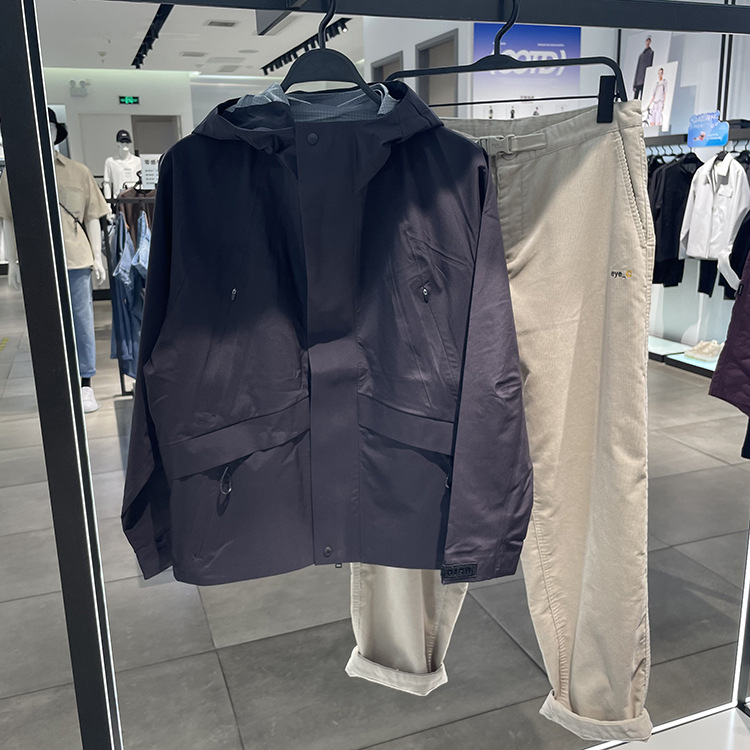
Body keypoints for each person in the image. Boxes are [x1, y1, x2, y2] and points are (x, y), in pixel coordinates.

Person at [0, 109, 109, 412]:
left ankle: (85, 383)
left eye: (48, 127)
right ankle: (56, 382)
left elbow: (92, 217)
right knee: (44, 324)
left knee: (81, 322)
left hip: (75, 259)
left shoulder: (78, 172)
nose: (43, 133)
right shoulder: (15, 173)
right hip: (37, 263)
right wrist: (12, 262)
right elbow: (9, 219)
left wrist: (97, 257)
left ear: (55, 132)